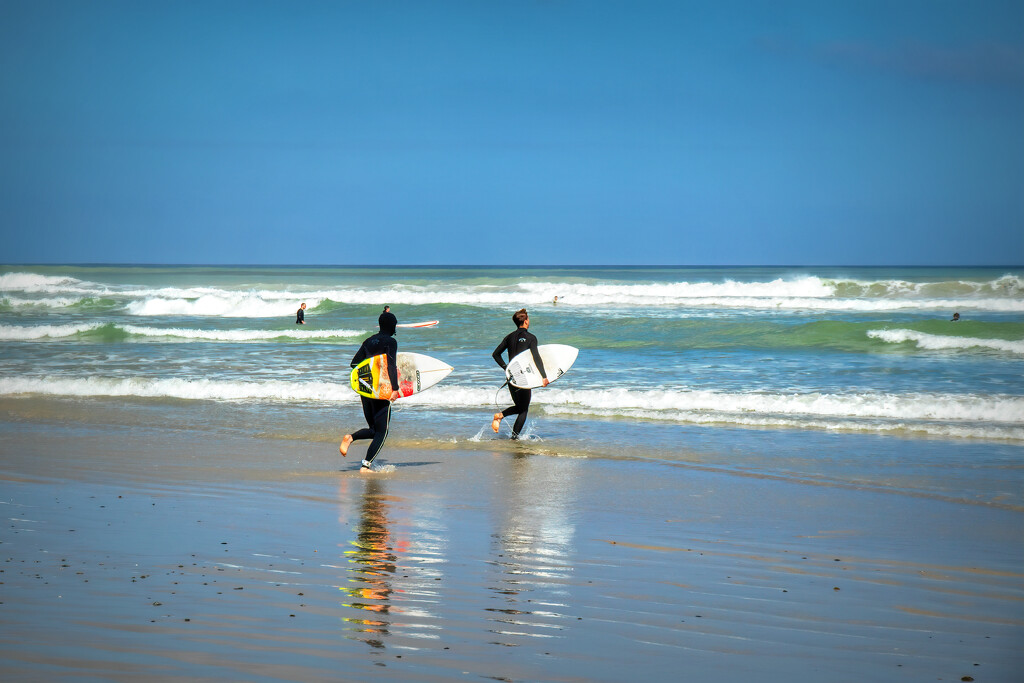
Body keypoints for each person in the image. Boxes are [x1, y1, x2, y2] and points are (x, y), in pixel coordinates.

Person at [340, 308, 403, 472]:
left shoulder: (368, 341)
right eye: (395, 325)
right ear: (392, 326)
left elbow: (354, 364)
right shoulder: (391, 342)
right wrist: (395, 388)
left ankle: (350, 438)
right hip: (381, 391)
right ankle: (366, 466)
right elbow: (390, 366)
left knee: (374, 430)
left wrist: (369, 374)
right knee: (382, 432)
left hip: (366, 391)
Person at [490, 308, 548, 439]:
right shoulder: (531, 338)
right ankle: (513, 437)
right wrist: (543, 376)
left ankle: (503, 421)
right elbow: (536, 358)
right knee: (524, 409)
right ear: (526, 321)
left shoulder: (509, 337)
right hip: (523, 377)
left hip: (511, 378)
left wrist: (507, 369)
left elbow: (496, 354)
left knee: (520, 407)